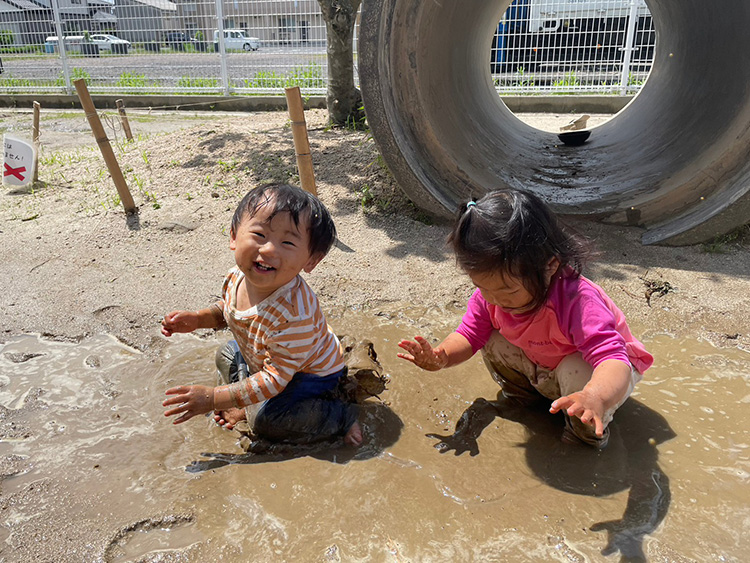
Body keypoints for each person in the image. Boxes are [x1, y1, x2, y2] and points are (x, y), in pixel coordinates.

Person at [397, 189, 653, 449]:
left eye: (508, 290)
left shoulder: (577, 301)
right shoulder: (491, 297)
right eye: (483, 287)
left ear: (550, 266)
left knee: (576, 371)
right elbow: (468, 335)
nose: (495, 299)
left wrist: (595, 395)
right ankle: (524, 399)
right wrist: (443, 357)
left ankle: (582, 436)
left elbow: (613, 359)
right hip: (547, 361)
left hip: (606, 375)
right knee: (492, 339)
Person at [161, 183, 363, 447]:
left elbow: (275, 379)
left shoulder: (293, 313)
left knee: (267, 422)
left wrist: (212, 398)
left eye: (287, 242)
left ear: (311, 260)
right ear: (233, 236)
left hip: (309, 377)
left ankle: (340, 415)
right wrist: (199, 319)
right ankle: (244, 400)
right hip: (269, 361)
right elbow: (229, 311)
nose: (268, 250)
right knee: (225, 352)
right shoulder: (237, 277)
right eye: (259, 234)